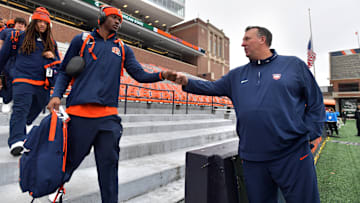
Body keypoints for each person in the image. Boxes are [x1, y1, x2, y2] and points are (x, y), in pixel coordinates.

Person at [174, 26, 325, 203]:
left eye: (247, 39)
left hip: (292, 153)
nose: (242, 43)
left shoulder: (293, 65)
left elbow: (315, 101)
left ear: (262, 40)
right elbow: (211, 87)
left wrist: (313, 133)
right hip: (253, 158)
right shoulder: (237, 75)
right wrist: (187, 82)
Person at [47, 5, 177, 203]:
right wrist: (56, 95)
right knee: (69, 161)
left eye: (120, 20)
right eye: (114, 17)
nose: (118, 21)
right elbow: (65, 71)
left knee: (109, 166)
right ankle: (55, 189)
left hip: (108, 118)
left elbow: (140, 75)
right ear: (101, 18)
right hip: (80, 114)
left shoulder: (124, 48)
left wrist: (162, 75)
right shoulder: (81, 41)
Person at [0, 7, 60, 156]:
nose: (41, 25)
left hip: (42, 84)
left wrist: (51, 57)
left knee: (37, 107)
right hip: (22, 80)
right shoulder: (17, 36)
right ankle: (17, 141)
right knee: (20, 109)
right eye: (39, 21)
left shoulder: (52, 43)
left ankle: (24, 126)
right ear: (33, 22)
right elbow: (3, 57)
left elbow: (59, 65)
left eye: (44, 22)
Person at [0, 17, 27, 113]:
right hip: (8, 57)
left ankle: (10, 100)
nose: (20, 25)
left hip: (19, 60)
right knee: (7, 79)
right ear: (15, 24)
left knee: (15, 80)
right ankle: (6, 100)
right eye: (19, 23)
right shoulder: (6, 32)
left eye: (23, 24)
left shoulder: (26, 35)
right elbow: (1, 44)